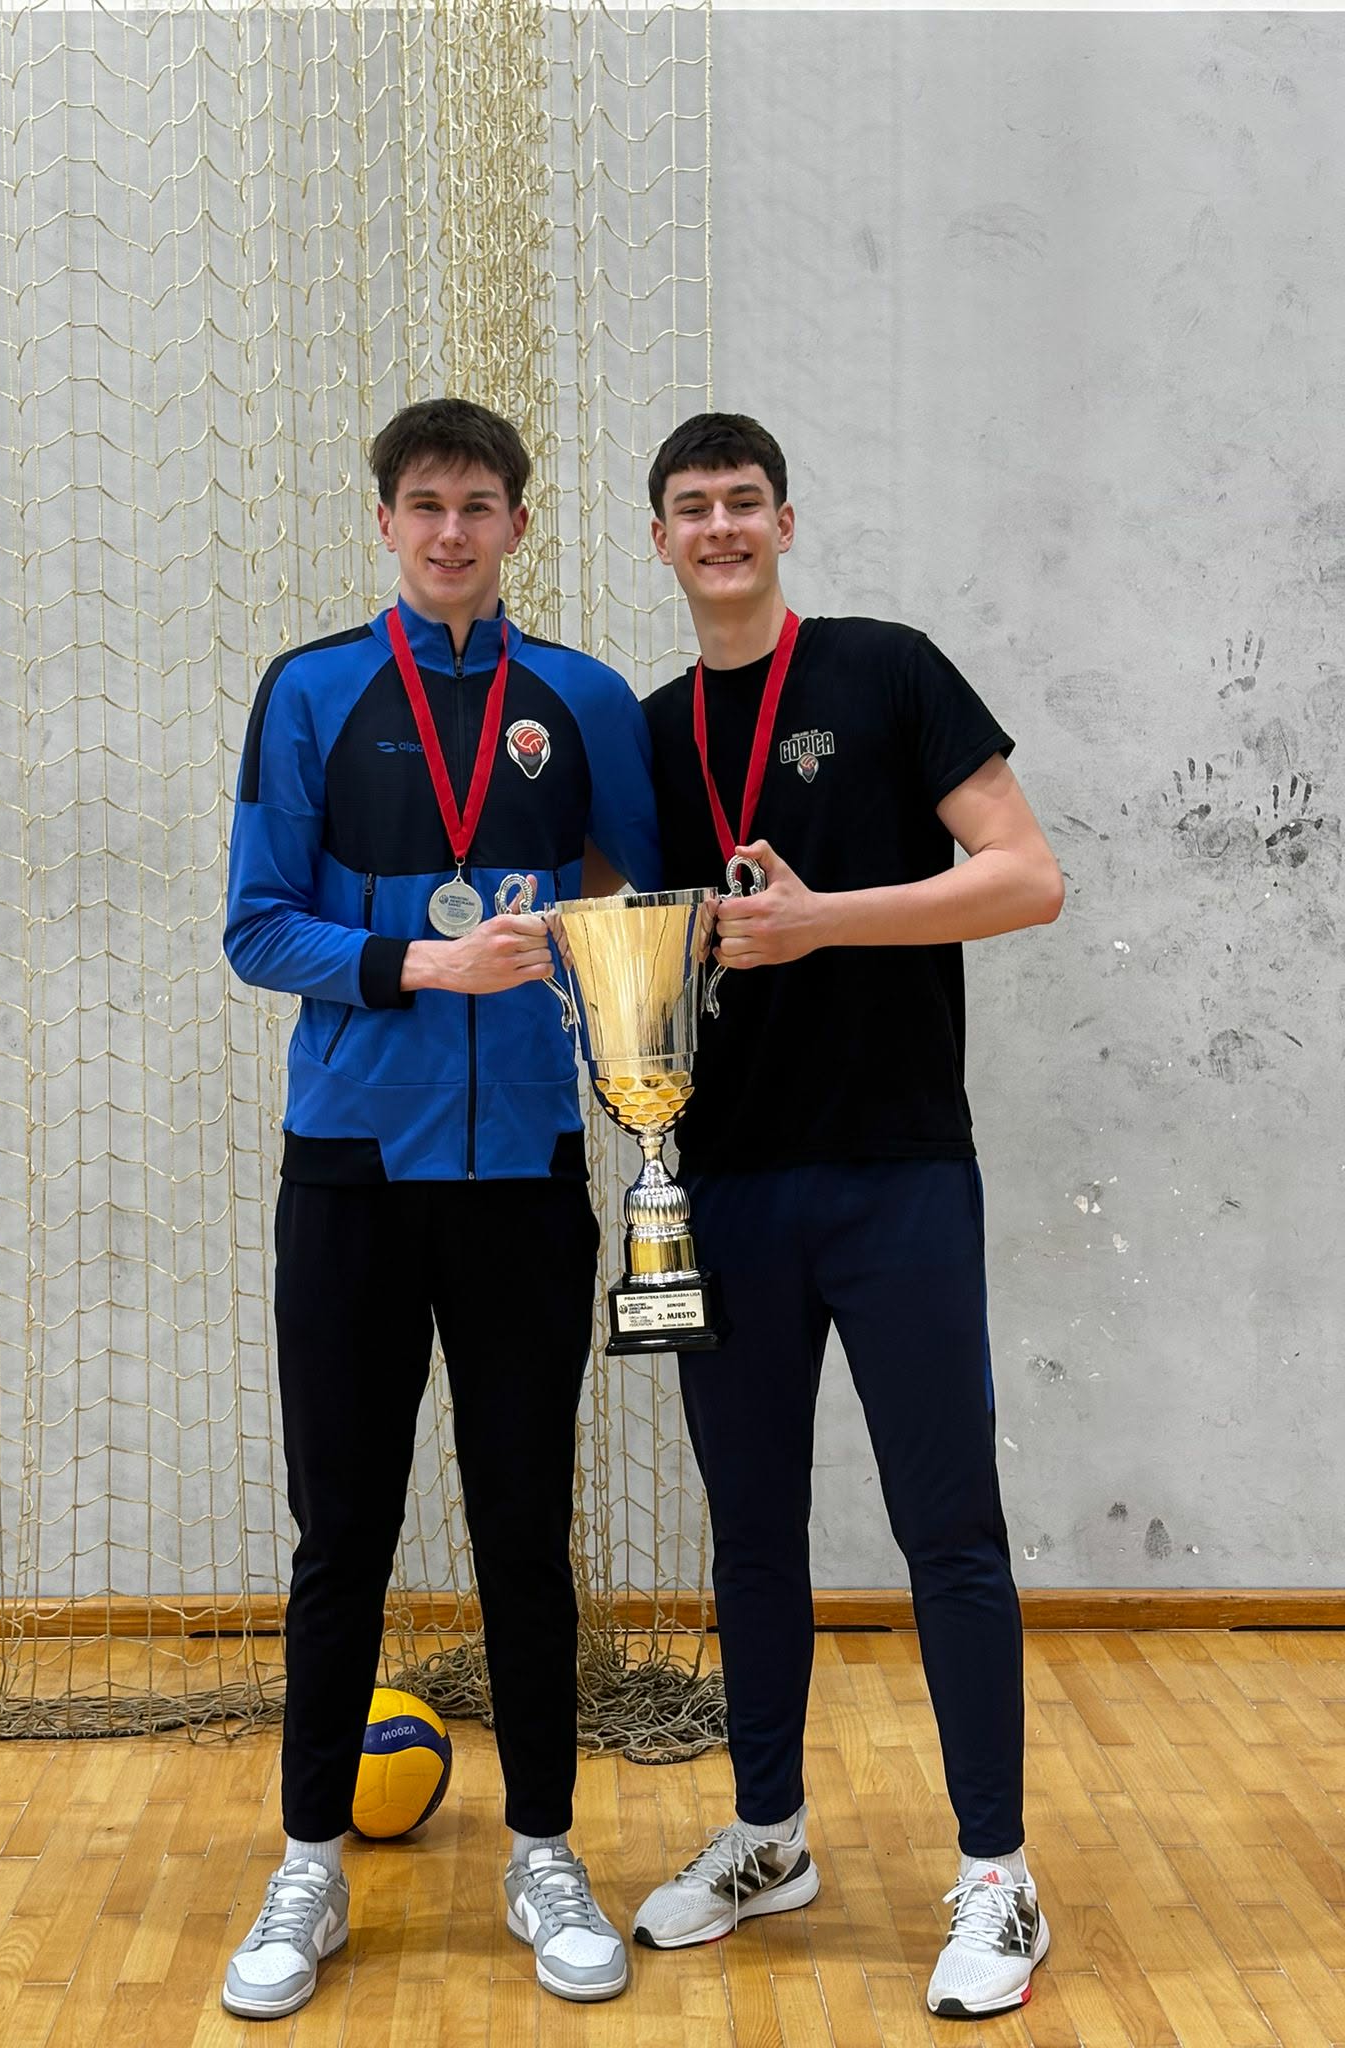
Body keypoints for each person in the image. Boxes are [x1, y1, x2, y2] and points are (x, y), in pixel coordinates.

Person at [221, 397, 659, 2016]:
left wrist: (625, 1026)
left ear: (519, 528)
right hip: (350, 1174)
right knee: (341, 1530)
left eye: (481, 506)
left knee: (524, 1531)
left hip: (527, 1176)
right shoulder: (312, 689)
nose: (453, 531)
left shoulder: (586, 699)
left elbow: (642, 901)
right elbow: (257, 926)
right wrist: (422, 961)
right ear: (386, 522)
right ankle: (308, 1863)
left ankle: (545, 1848)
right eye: (426, 504)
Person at [630, 413, 1063, 2021]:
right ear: (659, 541)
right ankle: (768, 1836)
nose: (721, 527)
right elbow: (638, 936)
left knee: (949, 1530)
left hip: (897, 1173)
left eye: (745, 501)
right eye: (692, 507)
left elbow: (1026, 876)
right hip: (726, 1182)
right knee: (750, 1535)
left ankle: (999, 1876)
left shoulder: (886, 670)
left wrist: (824, 925)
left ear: (786, 523)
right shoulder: (649, 732)